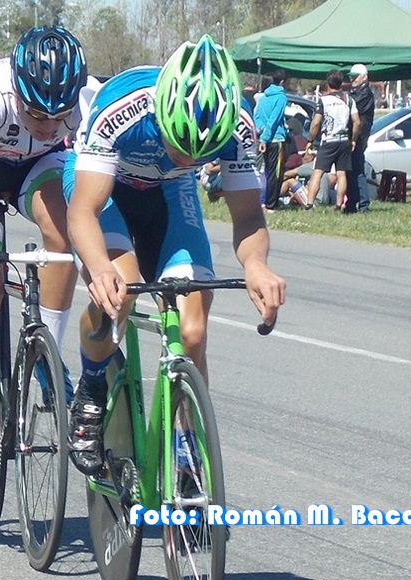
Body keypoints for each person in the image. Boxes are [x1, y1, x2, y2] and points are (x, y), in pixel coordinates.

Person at [63, 35, 286, 475]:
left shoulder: (239, 127)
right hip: (105, 188)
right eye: (178, 143)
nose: (187, 157)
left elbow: (248, 217)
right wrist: (100, 267)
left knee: (193, 329)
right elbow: (83, 212)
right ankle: (90, 387)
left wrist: (256, 264)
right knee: (120, 294)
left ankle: (186, 447)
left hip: (169, 191)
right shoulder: (122, 107)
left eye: (200, 153)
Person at [0, 26, 96, 499]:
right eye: (36, 114)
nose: (48, 126)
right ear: (17, 92)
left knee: (66, 232)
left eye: (59, 117)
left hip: (37, 169)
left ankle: (48, 357)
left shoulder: (88, 98)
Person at [305, 70, 360, 211]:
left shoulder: (323, 101)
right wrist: (353, 139)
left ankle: (309, 203)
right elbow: (357, 122)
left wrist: (310, 140)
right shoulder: (349, 99)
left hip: (328, 140)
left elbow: (316, 123)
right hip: (344, 140)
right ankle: (339, 204)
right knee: (341, 173)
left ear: (328, 84)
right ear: (341, 83)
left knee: (317, 172)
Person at [254, 69, 289, 211]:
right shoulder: (281, 98)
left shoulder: (263, 97)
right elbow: (274, 119)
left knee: (267, 171)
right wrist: (265, 138)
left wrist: (262, 131)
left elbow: (256, 117)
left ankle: (266, 200)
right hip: (276, 139)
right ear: (282, 82)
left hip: (265, 138)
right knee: (276, 173)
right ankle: (271, 204)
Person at [344, 64, 375, 213]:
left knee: (357, 169)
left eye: (355, 77)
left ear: (364, 77)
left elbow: (352, 109)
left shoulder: (365, 94)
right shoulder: (356, 92)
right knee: (350, 170)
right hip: (352, 136)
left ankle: (363, 203)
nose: (352, 79)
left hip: (359, 137)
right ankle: (352, 202)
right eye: (351, 77)